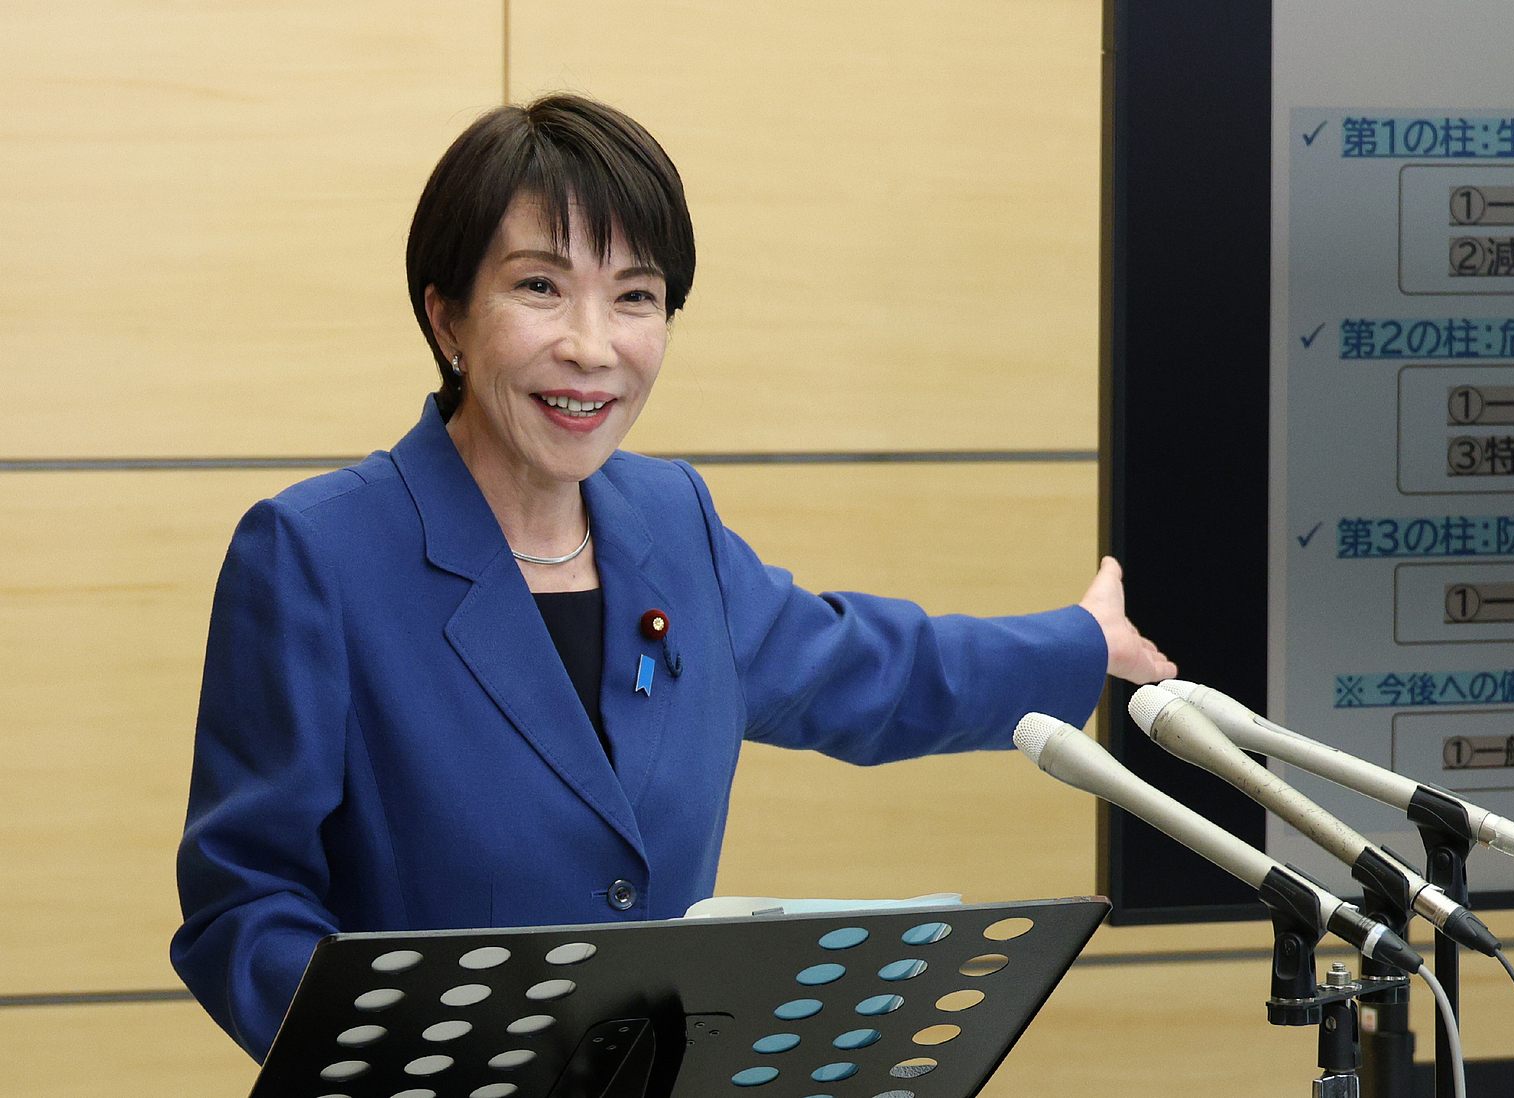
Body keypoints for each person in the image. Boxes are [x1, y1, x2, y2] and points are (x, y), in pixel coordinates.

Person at [171, 94, 1174, 1061]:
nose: (591, 347)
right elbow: (244, 904)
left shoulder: (668, 521)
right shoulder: (316, 554)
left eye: (636, 297)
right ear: (447, 319)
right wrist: (404, 1054)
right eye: (538, 287)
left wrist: (1079, 644)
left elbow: (860, 672)